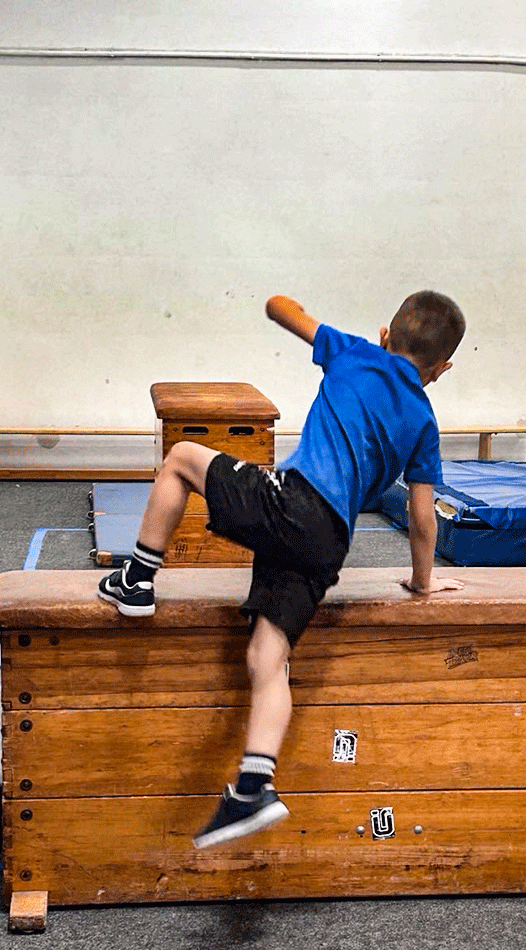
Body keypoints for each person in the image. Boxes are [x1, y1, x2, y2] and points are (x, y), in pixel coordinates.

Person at [97, 290, 467, 847]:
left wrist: (293, 314)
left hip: (293, 502)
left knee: (181, 459)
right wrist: (422, 582)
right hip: (330, 541)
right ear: (443, 368)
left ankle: (136, 579)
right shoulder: (423, 419)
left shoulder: (355, 352)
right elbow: (421, 515)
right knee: (268, 656)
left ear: (386, 336)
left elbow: (278, 307)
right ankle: (253, 785)